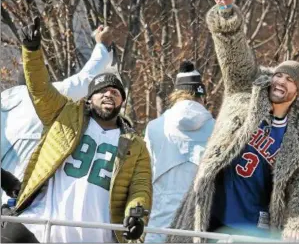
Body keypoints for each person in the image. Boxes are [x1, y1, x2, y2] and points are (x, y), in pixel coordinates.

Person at [167, 0, 299, 242]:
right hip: (209, 214)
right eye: (279, 75)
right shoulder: (244, 93)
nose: (281, 80)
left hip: (253, 229)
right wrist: (226, 12)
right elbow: (233, 53)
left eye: (289, 79)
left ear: (297, 93)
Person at [1, 17, 152, 243]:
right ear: (89, 99)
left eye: (116, 91)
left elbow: (140, 186)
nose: (109, 94)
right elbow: (41, 90)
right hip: (43, 227)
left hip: (95, 235)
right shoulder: (65, 116)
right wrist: (32, 51)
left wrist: (136, 214)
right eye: (102, 90)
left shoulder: (135, 145)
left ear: (122, 103)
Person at [1, 25, 118, 205]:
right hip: (29, 197)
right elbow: (86, 79)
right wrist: (102, 46)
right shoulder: (49, 95)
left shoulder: (4, 106)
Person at [144, 61, 215, 243]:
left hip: (160, 221)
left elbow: (144, 176)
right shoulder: (217, 128)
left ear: (176, 94)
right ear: (201, 96)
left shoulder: (154, 127)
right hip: (199, 220)